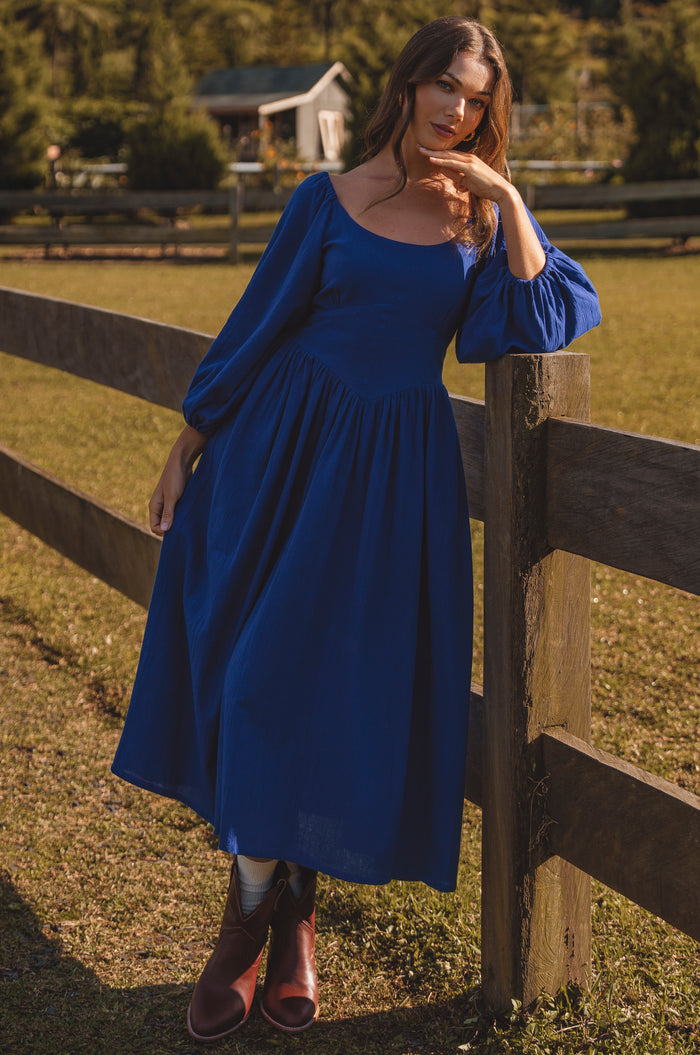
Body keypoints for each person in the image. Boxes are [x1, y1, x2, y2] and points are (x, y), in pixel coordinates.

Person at [112, 15, 601, 1043]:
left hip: (395, 479)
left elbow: (541, 315)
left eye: (476, 99)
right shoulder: (324, 199)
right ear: (409, 81)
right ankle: (255, 913)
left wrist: (509, 197)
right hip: (282, 456)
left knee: (344, 689)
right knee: (258, 678)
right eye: (446, 85)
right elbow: (258, 323)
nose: (456, 109)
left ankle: (294, 915)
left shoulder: (477, 224)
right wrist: (188, 441)